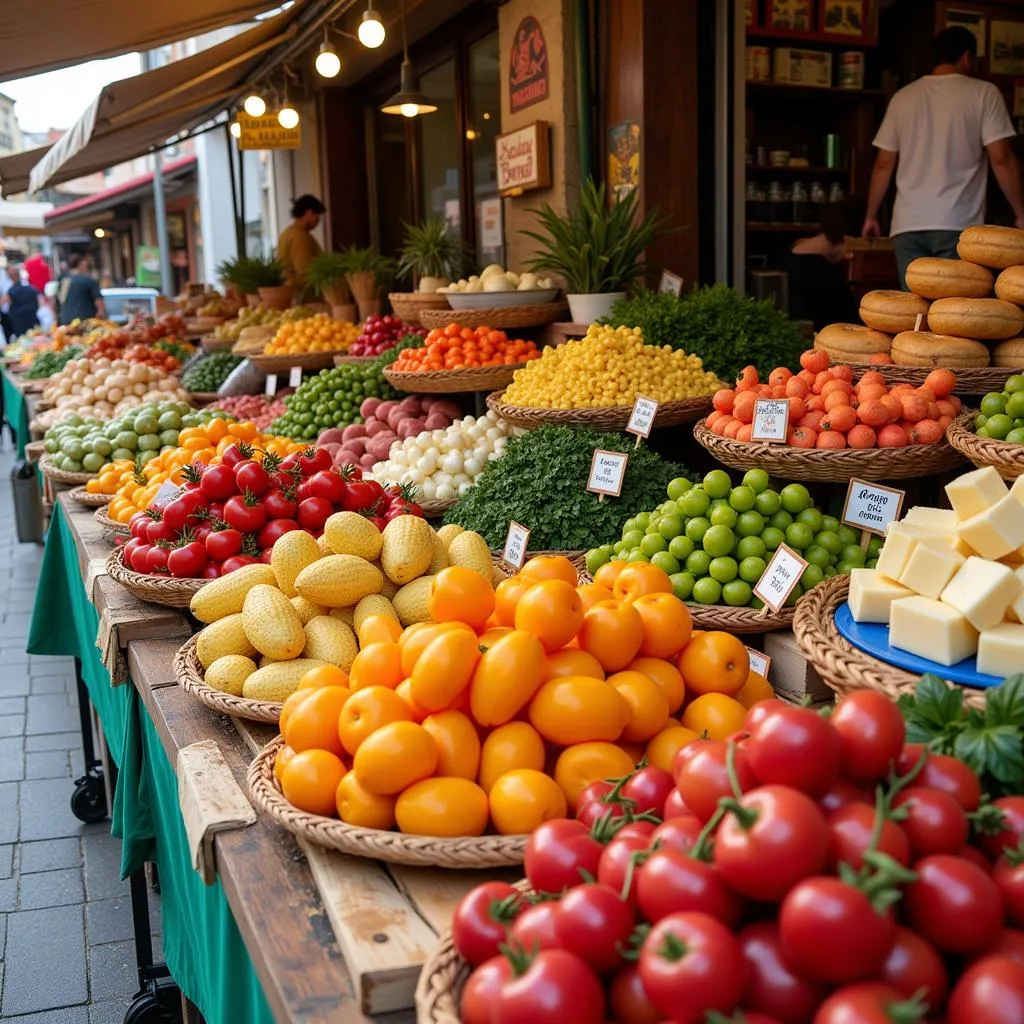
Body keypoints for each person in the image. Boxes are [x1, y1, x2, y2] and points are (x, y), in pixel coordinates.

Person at [862, 26, 1024, 289]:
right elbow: (1002, 158)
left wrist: (870, 215)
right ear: (967, 57)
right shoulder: (983, 93)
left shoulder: (903, 97)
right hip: (958, 223)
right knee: (950, 315)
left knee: (914, 314)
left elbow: (883, 164)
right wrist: (1020, 212)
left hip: (907, 224)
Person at [771, 201, 863, 331]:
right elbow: (853, 324)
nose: (850, 256)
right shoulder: (827, 275)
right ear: (847, 238)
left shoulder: (781, 255)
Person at [277, 194, 325, 296]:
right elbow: (305, 272)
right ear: (309, 212)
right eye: (317, 215)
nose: (318, 221)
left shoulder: (287, 233)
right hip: (303, 296)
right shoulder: (299, 236)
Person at [59, 253, 106, 324]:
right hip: (86, 322)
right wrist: (101, 313)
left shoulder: (63, 281)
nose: (86, 268)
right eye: (85, 265)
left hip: (66, 322)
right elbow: (99, 301)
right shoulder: (88, 281)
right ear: (80, 264)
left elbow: (59, 301)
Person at [0, 266, 42, 339]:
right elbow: (39, 302)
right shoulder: (28, 285)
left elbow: (3, 302)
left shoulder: (11, 290)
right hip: (32, 318)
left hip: (19, 322)